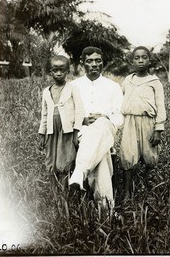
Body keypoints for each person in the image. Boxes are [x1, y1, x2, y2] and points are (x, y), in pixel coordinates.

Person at [69, 46, 123, 210]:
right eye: (89, 61)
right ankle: (106, 210)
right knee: (102, 156)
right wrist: (82, 120)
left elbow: (120, 116)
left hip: (107, 129)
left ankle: (80, 171)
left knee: (101, 125)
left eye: (97, 60)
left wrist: (105, 117)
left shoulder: (113, 86)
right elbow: (67, 114)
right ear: (82, 63)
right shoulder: (73, 86)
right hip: (83, 132)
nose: (94, 64)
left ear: (102, 63)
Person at [120, 46, 166, 199]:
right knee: (127, 154)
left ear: (149, 60)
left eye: (144, 57)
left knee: (149, 155)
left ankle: (146, 187)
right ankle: (127, 191)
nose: (140, 61)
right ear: (132, 60)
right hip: (130, 121)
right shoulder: (128, 81)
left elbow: (160, 105)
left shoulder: (154, 82)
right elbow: (122, 99)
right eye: (137, 58)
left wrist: (158, 129)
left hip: (148, 121)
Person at [38, 55, 84, 188]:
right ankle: (54, 190)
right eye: (55, 70)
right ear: (50, 71)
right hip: (52, 130)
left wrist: (76, 131)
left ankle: (64, 190)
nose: (59, 73)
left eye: (62, 70)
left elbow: (79, 111)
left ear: (67, 72)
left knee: (64, 159)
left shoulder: (72, 89)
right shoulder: (47, 91)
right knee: (51, 158)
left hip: (66, 130)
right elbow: (44, 114)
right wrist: (42, 133)